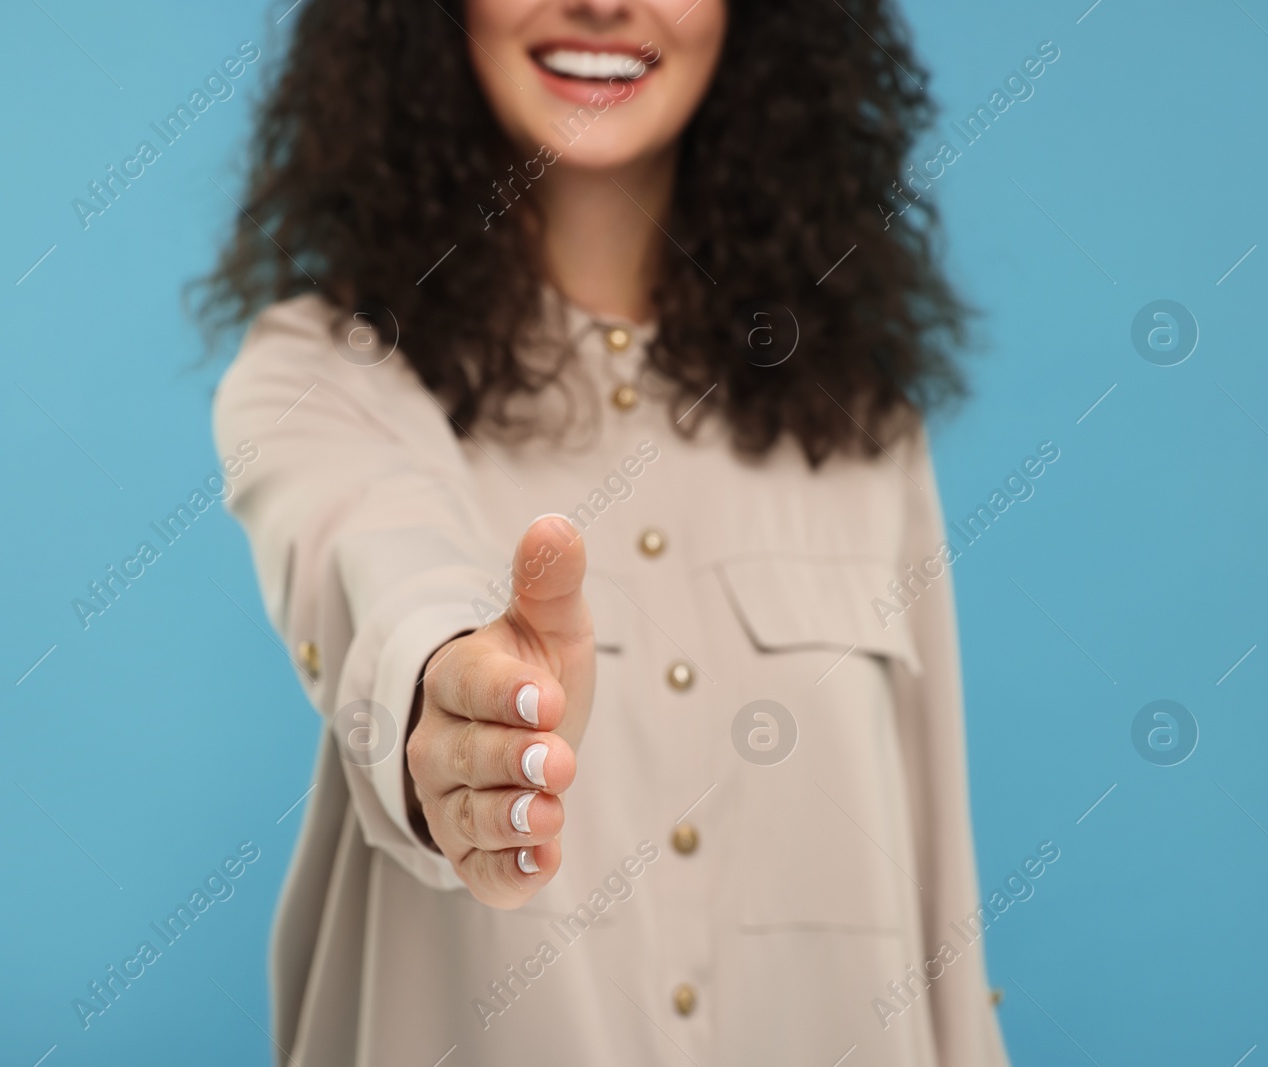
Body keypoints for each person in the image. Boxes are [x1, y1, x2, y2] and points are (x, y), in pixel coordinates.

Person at [203, 1, 1010, 1064]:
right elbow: (380, 563)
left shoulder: (857, 419)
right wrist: (457, 702)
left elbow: (940, 905)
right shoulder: (324, 373)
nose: (601, 1)